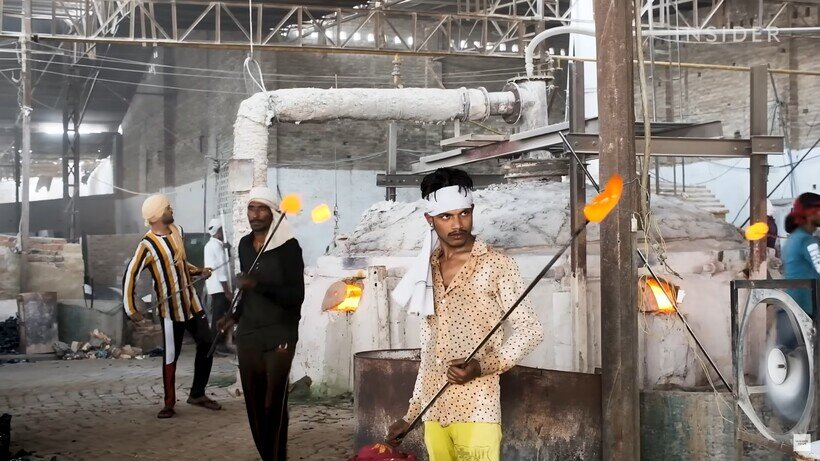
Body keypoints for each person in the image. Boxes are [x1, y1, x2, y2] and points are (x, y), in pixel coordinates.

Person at [385, 168, 544, 461]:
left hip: (478, 411)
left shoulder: (497, 264)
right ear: (430, 219)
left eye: (464, 214)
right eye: (446, 216)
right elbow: (429, 350)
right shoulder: (425, 271)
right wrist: (411, 415)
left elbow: (530, 330)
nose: (457, 224)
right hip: (434, 413)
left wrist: (481, 366)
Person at [216, 187, 305, 461]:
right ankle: (272, 456)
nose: (254, 215)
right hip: (249, 333)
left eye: (261, 209)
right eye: (251, 208)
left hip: (280, 332)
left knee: (273, 403)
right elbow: (246, 293)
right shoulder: (244, 245)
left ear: (273, 212)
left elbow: (296, 296)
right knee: (255, 405)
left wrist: (258, 285)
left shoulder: (289, 248)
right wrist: (233, 316)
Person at [122, 194, 222, 418]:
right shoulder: (147, 245)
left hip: (192, 304)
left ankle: (197, 394)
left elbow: (180, 263)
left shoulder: (178, 231)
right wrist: (131, 309)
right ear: (158, 214)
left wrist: (198, 271)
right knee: (171, 356)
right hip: (170, 310)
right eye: (167, 207)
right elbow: (130, 275)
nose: (171, 209)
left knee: (207, 344)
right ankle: (169, 404)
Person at [778, 192, 820, 347]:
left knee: (790, 358)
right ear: (810, 214)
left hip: (790, 310)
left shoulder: (794, 238)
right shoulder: (807, 240)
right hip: (804, 312)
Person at [204, 218, 233, 354]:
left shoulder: (211, 245)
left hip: (215, 287)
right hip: (220, 287)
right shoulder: (216, 247)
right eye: (222, 230)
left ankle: (223, 341)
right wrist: (227, 290)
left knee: (227, 314)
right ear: (218, 232)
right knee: (219, 316)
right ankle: (216, 344)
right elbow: (221, 269)